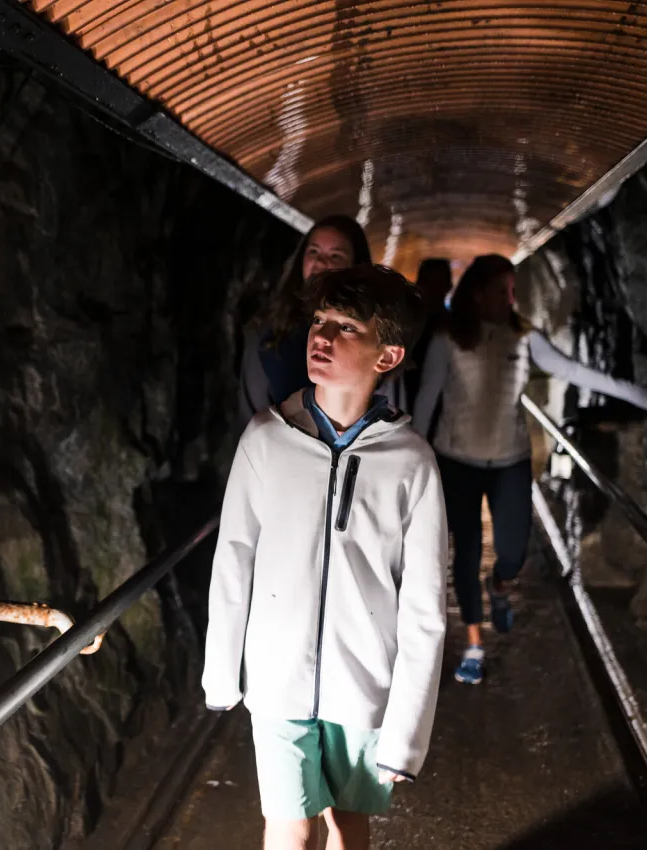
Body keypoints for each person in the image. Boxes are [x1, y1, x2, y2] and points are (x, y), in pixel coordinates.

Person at [205, 265, 448, 850]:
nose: (322, 336)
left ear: (387, 356)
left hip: (364, 682)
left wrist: (405, 734)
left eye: (346, 327)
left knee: (346, 820)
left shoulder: (411, 463)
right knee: (287, 824)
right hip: (276, 676)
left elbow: (423, 608)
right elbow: (233, 559)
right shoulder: (266, 439)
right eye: (319, 321)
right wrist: (222, 672)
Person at [411, 254, 647, 686]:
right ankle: (474, 645)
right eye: (502, 291)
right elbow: (427, 396)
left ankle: (500, 586)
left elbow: (577, 371)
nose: (511, 299)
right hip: (456, 460)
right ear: (477, 293)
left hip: (510, 462)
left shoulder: (523, 336)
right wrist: (414, 456)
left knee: (511, 552)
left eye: (513, 291)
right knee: (465, 555)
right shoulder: (449, 338)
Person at [239, 215, 373, 426]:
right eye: (313, 251)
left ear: (356, 266)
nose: (320, 262)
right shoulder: (267, 329)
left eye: (335, 255)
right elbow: (252, 410)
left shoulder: (371, 335)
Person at [401, 259, 453, 416]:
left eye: (438, 283)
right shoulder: (404, 324)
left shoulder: (455, 329)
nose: (433, 290)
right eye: (429, 283)